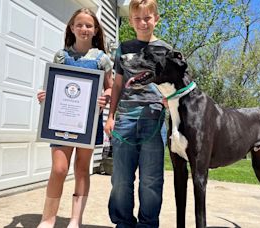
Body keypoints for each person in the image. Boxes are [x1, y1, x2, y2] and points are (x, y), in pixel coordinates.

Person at [37, 8, 113, 228]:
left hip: (88, 123)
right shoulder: (62, 56)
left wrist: (104, 98)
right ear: (72, 27)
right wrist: (45, 94)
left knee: (81, 169)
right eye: (79, 24)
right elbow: (53, 85)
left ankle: (75, 220)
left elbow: (110, 88)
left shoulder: (102, 59)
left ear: (95, 29)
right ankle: (48, 218)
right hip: (60, 122)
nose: (84, 29)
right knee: (59, 169)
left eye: (89, 25)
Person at [104, 0, 171, 227]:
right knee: (121, 179)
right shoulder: (124, 48)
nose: (143, 23)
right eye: (138, 19)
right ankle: (123, 223)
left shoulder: (166, 50)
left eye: (147, 18)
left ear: (156, 19)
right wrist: (111, 116)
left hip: (154, 118)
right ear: (131, 21)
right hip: (125, 119)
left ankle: (148, 224)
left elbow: (176, 83)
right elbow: (117, 85)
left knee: (151, 180)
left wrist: (170, 101)